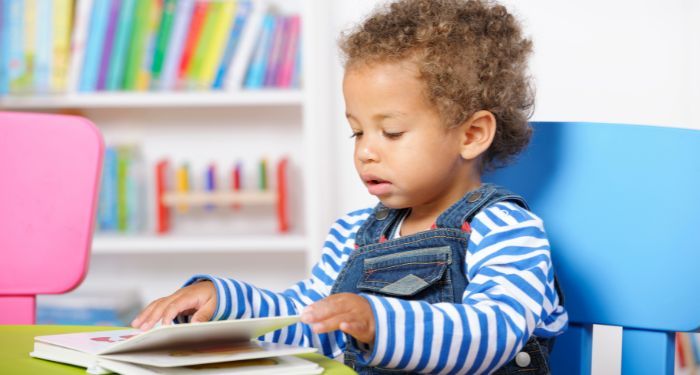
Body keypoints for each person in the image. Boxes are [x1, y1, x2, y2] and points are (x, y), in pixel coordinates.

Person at [131, 0, 568, 373]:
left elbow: (494, 333)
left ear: (471, 135)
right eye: (357, 132)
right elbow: (312, 321)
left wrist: (378, 321)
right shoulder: (355, 232)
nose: (366, 153)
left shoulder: (506, 228)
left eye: (391, 133)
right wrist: (226, 302)